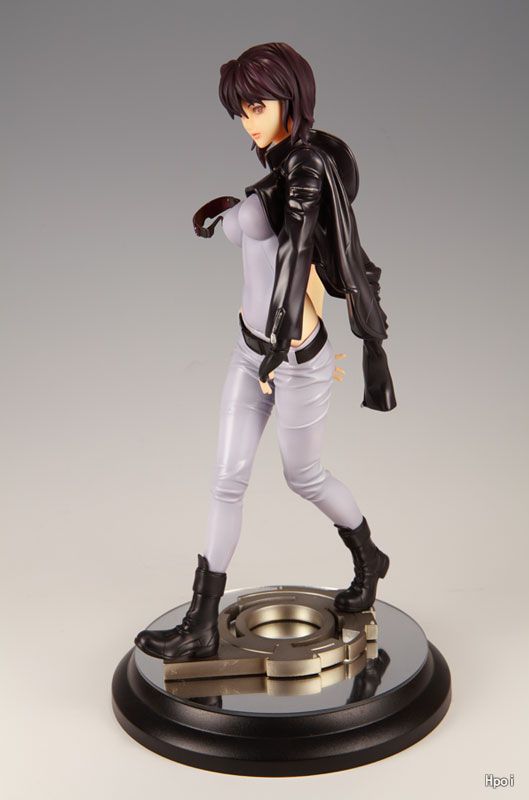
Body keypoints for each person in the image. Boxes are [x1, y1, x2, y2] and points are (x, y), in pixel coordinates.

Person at [135, 42, 396, 662]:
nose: (248, 121)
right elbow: (257, 229)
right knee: (227, 480)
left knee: (303, 476)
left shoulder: (306, 171)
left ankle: (369, 556)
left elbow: (298, 254)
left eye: (258, 106)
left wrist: (282, 344)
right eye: (241, 110)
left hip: (295, 361)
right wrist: (226, 215)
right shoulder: (276, 171)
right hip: (247, 353)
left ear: (292, 99)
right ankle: (201, 621)